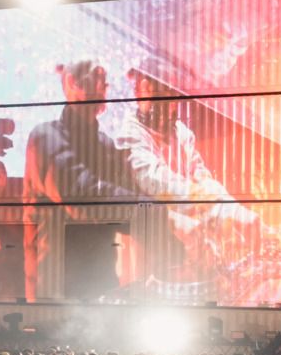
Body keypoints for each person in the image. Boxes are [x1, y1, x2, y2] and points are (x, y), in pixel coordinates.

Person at [117, 59, 261, 291]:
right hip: (155, 244)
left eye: (172, 97)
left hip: (188, 247)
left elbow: (201, 175)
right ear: (141, 92)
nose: (171, 106)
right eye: (163, 96)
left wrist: (234, 210)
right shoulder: (130, 135)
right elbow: (154, 179)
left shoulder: (183, 134)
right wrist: (207, 207)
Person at [22, 60, 135, 301]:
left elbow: (126, 208)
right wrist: (153, 212)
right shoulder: (44, 137)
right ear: (72, 82)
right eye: (97, 76)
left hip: (102, 287)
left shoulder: (106, 145)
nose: (105, 84)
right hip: (55, 294)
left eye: (105, 80)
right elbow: (79, 194)